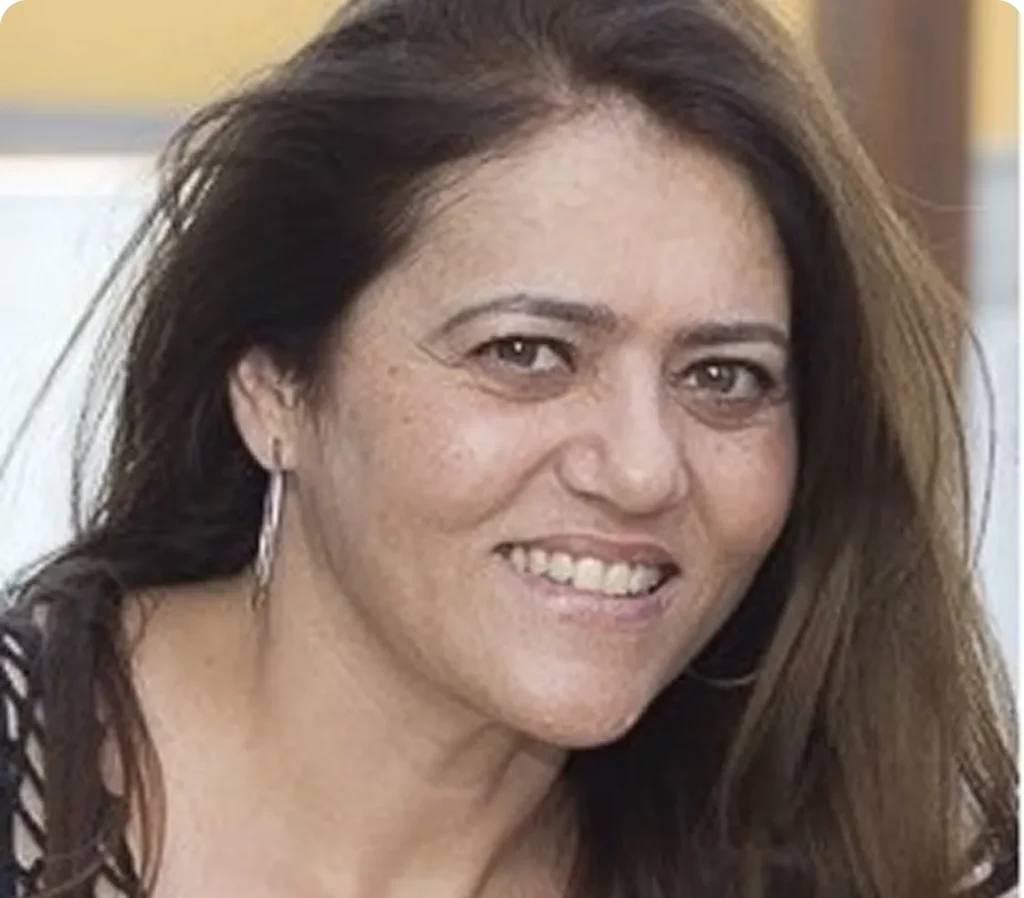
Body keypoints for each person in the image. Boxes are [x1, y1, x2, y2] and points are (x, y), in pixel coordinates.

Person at [0, 0, 1017, 895]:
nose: (642, 469)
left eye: (723, 376)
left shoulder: (812, 862)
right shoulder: (29, 774)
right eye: (525, 353)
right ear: (276, 390)